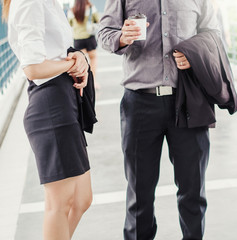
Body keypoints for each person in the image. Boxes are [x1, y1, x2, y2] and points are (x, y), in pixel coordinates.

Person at [97, 1, 219, 239]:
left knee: (193, 192)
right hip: (139, 104)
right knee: (139, 196)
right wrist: (122, 37)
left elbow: (212, 34)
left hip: (187, 102)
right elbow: (104, 33)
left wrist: (195, 54)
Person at [2, 0, 93, 239]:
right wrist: (70, 64)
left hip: (65, 101)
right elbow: (33, 68)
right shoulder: (30, 2)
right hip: (51, 106)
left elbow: (58, 52)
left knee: (82, 199)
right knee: (60, 203)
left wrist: (78, 59)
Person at [68, 0, 100, 89]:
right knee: (93, 59)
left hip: (78, 39)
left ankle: (81, 84)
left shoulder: (72, 10)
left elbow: (70, 24)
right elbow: (98, 20)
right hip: (89, 38)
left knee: (81, 62)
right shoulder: (91, 8)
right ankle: (93, 82)